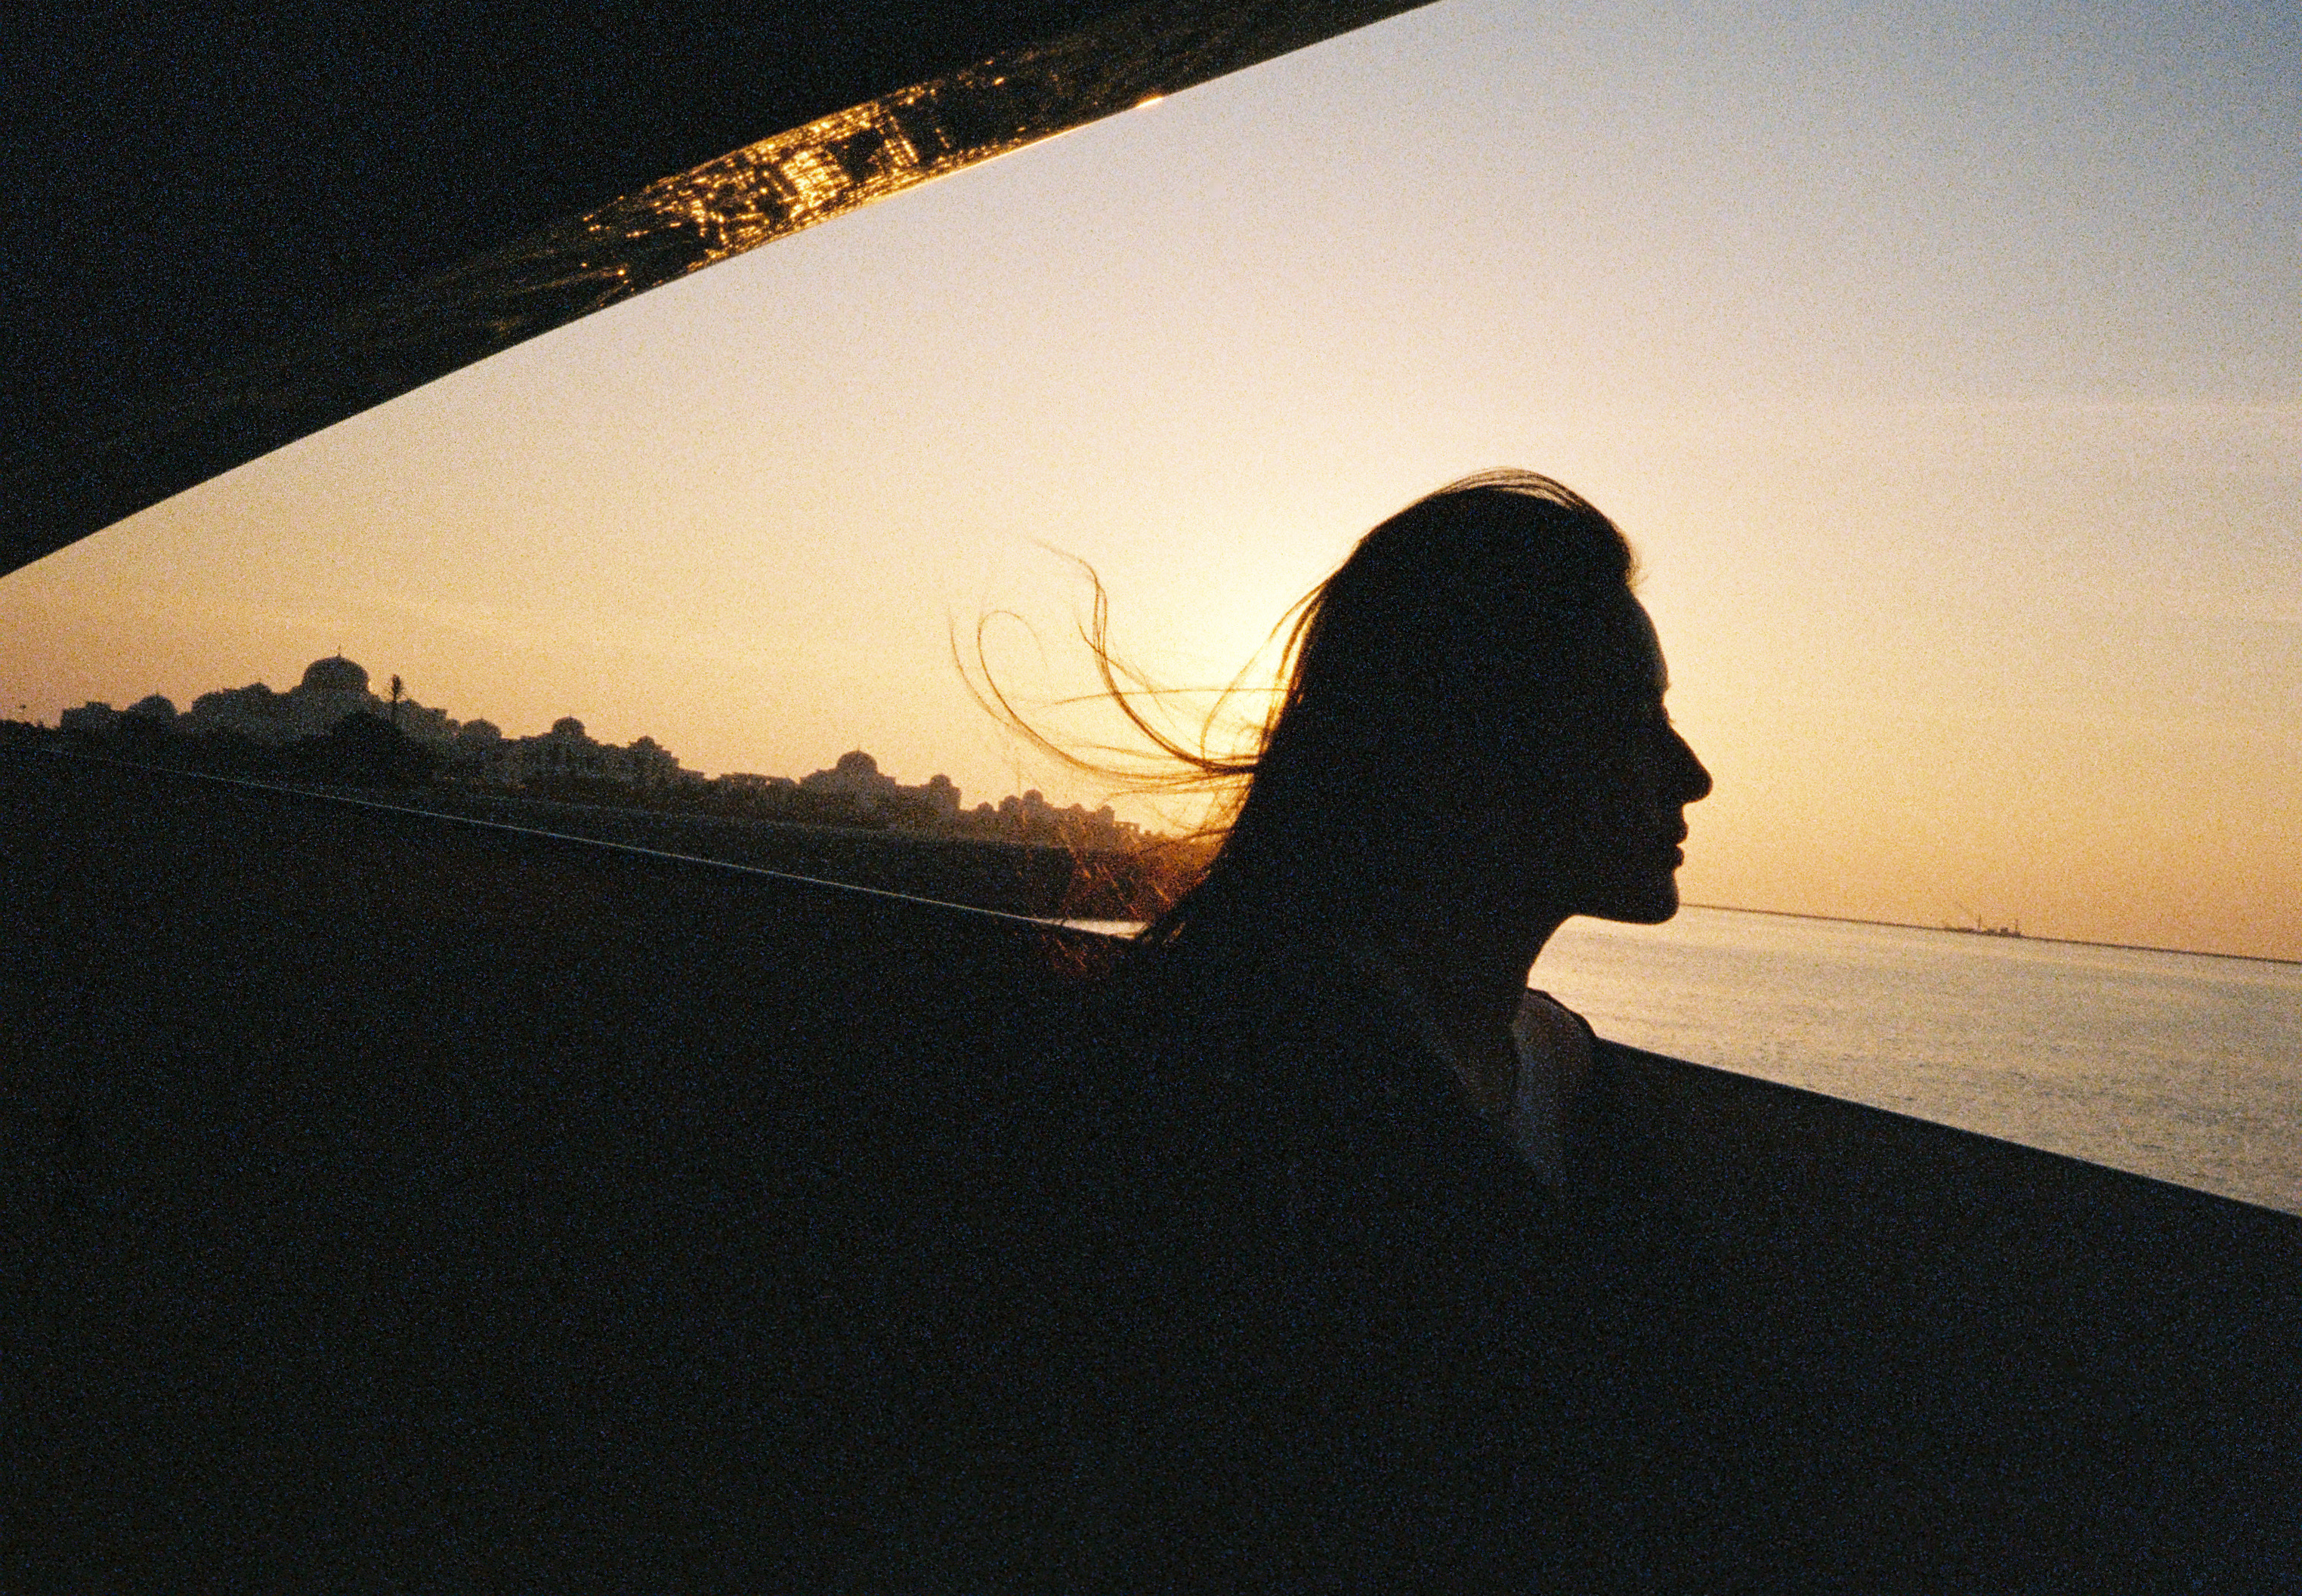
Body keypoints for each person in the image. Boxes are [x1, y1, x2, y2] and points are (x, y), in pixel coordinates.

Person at [864, 471, 1712, 1587]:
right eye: (1633, 720)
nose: (1691, 774)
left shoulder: (1555, 1077)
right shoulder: (1232, 1111)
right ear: (1463, 754)